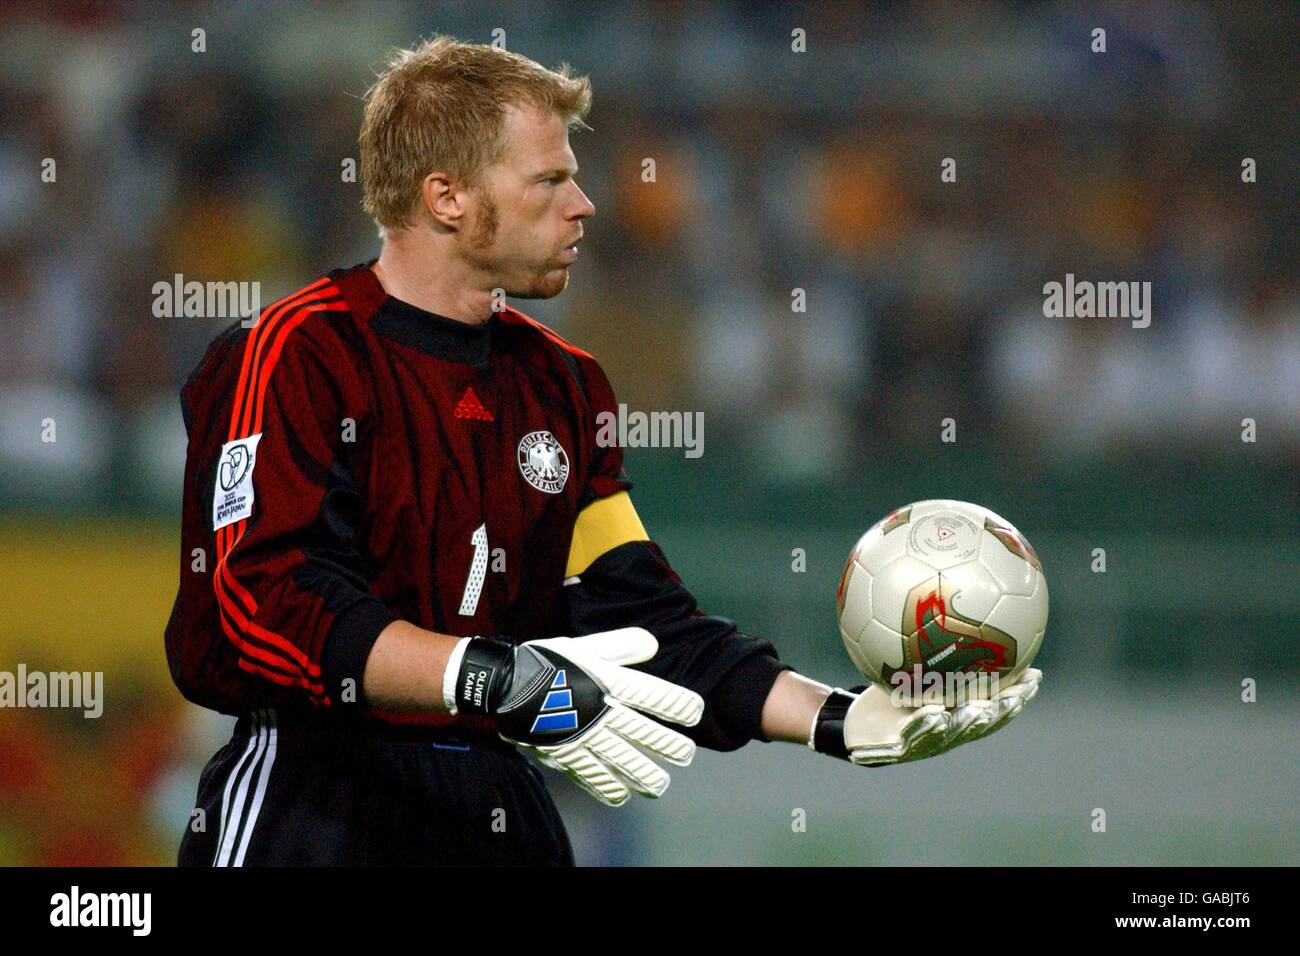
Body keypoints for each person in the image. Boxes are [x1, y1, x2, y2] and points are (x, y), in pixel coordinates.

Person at [165, 35, 1040, 867]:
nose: (584, 205)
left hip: (500, 811)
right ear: (447, 197)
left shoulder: (563, 385)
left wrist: (834, 720)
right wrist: (486, 677)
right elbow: (263, 606)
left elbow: (641, 619)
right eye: (550, 180)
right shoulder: (294, 351)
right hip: (317, 801)